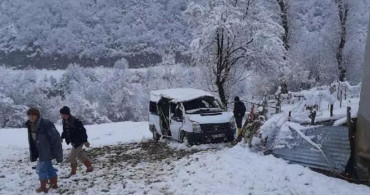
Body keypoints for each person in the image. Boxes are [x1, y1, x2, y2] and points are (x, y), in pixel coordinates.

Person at [25, 108, 63, 193]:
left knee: (40, 169)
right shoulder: (31, 125)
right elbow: (33, 140)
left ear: (37, 115)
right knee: (49, 167)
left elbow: (55, 139)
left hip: (47, 151)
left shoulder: (46, 123)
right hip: (40, 151)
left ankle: (43, 187)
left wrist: (57, 154)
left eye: (33, 114)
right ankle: (54, 184)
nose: (31, 117)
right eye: (29, 115)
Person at [60, 106, 93, 177]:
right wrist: (61, 137)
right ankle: (89, 167)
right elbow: (65, 131)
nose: (61, 115)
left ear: (66, 114)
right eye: (61, 114)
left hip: (79, 141)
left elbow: (83, 131)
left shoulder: (76, 121)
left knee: (71, 157)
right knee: (79, 155)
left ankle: (73, 172)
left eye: (62, 114)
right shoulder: (64, 121)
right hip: (73, 141)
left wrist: (85, 141)